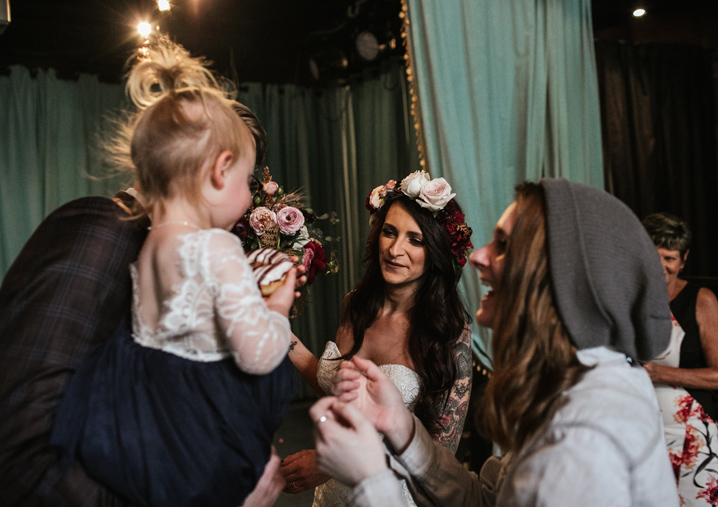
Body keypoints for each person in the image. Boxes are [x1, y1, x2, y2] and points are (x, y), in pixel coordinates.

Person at [311, 179, 681, 506]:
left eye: (502, 245)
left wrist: (371, 479)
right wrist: (402, 429)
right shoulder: (564, 385)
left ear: (557, 278)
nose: (478, 257)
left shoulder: (583, 441)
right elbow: (488, 498)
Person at [48, 40, 300, 507]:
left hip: (142, 426)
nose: (249, 197)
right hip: (200, 428)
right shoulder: (217, 247)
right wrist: (278, 308)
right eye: (247, 181)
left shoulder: (147, 247)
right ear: (219, 172)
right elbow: (258, 357)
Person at [282, 172, 474, 506]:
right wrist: (280, 333)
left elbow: (437, 461)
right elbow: (338, 390)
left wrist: (332, 465)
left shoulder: (449, 334)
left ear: (437, 253)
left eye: (416, 240)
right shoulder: (356, 304)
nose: (396, 249)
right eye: (389, 232)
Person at [641, 212, 718, 505]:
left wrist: (661, 374)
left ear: (684, 259)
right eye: (654, 256)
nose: (662, 267)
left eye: (670, 258)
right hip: (640, 428)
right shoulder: (630, 299)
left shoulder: (701, 300)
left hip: (692, 432)